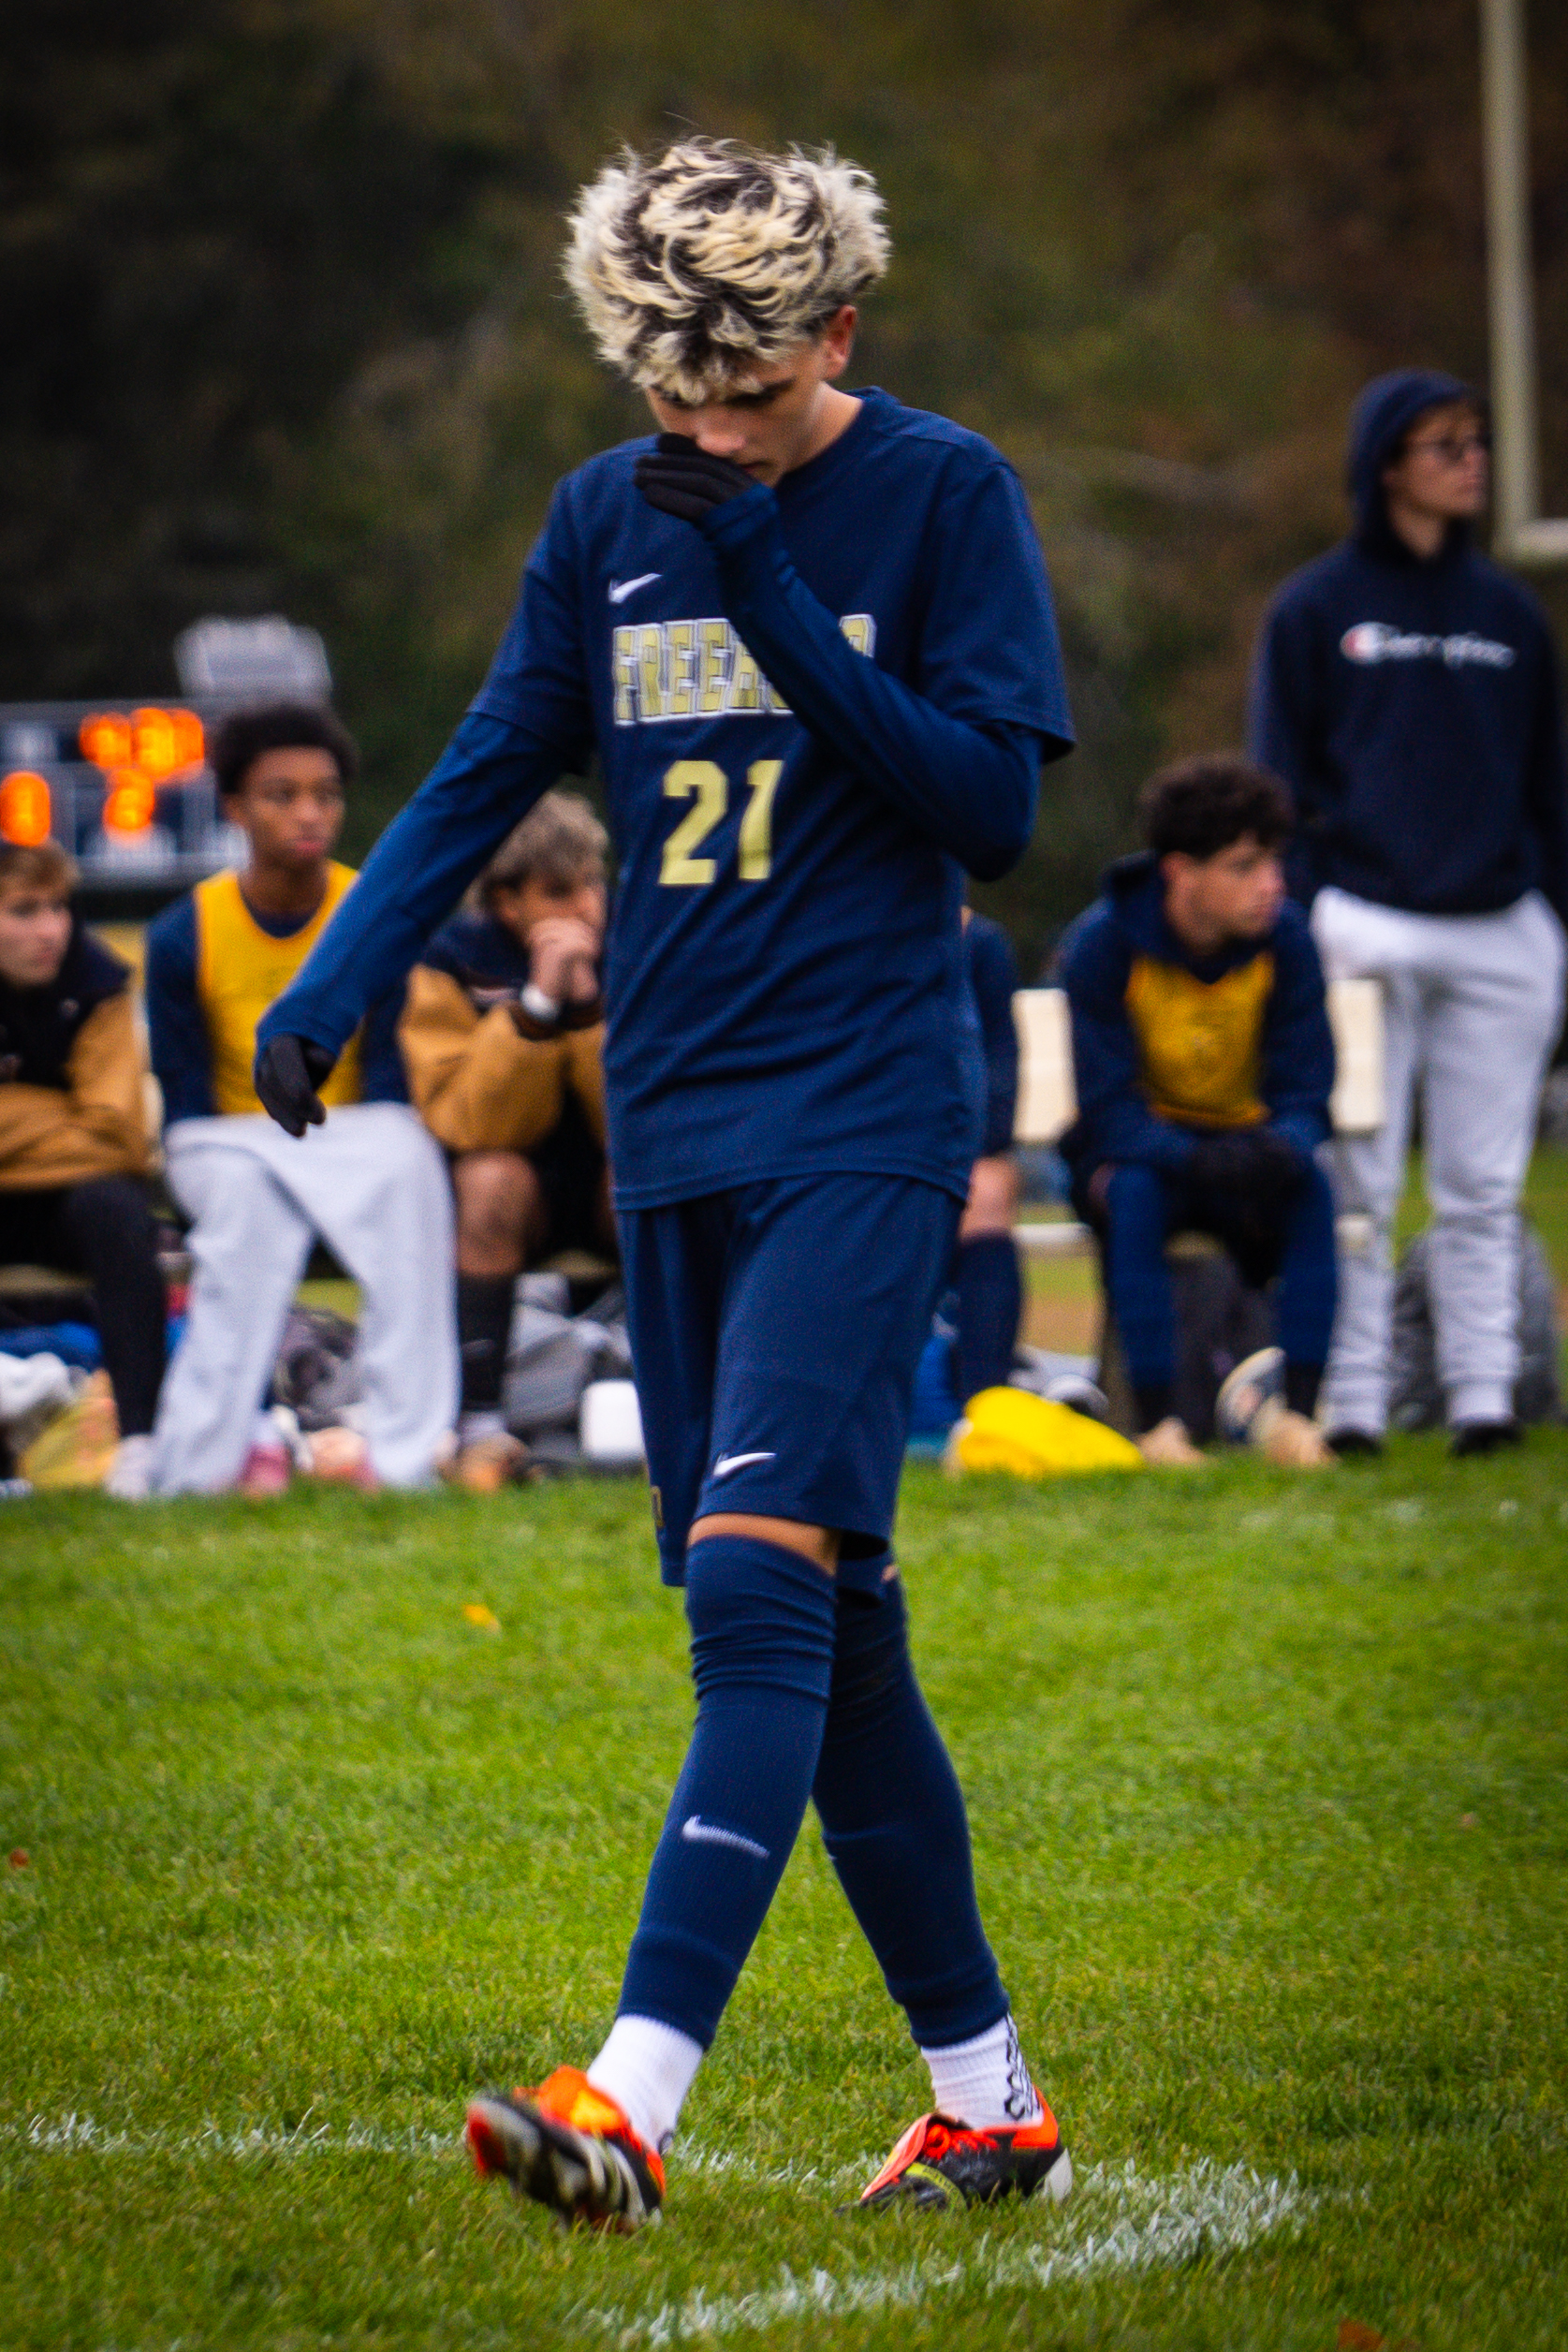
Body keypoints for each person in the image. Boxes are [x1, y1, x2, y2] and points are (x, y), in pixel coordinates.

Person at [253, 138, 1076, 2227]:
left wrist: (780, 590)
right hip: (673, 1115)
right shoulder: (599, 514)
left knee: (749, 1583)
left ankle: (629, 2093)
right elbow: (489, 757)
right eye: (671, 396)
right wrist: (340, 972)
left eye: (748, 390)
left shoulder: (945, 491)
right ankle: (987, 2104)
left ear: (839, 334)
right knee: (829, 1610)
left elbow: (985, 802)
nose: (704, 437)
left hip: (867, 1103)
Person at [1251, 368, 1568, 1457]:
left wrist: (1548, 916)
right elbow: (1277, 780)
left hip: (1500, 923)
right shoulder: (1316, 609)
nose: (1472, 462)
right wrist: (1300, 914)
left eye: (1476, 442)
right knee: (1360, 1182)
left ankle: (1485, 1400)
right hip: (1363, 924)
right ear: (1386, 464)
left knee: (1483, 1181)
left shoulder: (1509, 618)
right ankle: (1354, 1406)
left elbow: (1549, 783)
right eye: (1445, 445)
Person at [143, 701, 457, 1494]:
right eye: (282, 794)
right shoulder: (187, 930)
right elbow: (183, 1106)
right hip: (227, 1140)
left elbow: (389, 1082)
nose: (309, 812)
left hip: (349, 1132)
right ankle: (196, 1470)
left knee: (412, 1165)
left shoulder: (371, 911)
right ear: (236, 808)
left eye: (325, 793)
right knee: (248, 1207)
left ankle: (408, 1456)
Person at [1057, 755, 1338, 1468]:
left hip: (1245, 1155)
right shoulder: (1104, 944)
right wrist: (1193, 1156)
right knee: (1135, 1195)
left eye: (1274, 862)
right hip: (1151, 1160)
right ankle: (1159, 1428)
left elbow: (1308, 1090)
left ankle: (1298, 1419)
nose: (1270, 884)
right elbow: (1106, 1111)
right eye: (1245, 866)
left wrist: (1279, 1147)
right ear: (1181, 872)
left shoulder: (1288, 941)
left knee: (1312, 1188)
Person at [400, 790, 613, 1489]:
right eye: (559, 890)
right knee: (490, 1178)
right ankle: (480, 1424)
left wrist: (587, 1010)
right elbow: (468, 1122)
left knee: (657, 1175)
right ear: (507, 900)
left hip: (611, 1178)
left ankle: (676, 1402)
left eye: (591, 884)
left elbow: (642, 1119)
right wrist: (536, 1008)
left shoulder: (637, 948)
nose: (584, 907)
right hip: (513, 1196)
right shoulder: (448, 961)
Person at [0, 839, 165, 1497]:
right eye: (23, 910)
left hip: (66, 1204)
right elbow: (87, 1123)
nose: (50, 929)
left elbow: (119, 1137)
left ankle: (143, 1446)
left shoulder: (98, 982)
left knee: (119, 1211)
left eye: (59, 908)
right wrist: (56, 1112)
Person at [952, 907, 1023, 1402]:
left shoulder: (981, 946)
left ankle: (982, 1407)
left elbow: (1000, 1078)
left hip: (951, 1144)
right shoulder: (839, 934)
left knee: (989, 1187)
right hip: (859, 1145)